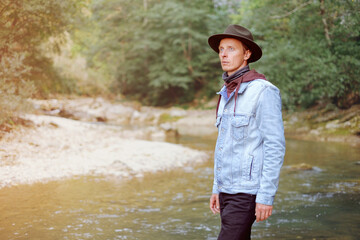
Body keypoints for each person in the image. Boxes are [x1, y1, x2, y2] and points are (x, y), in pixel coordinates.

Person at [208, 24, 286, 240]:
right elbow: (224, 146)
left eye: (231, 49)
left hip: (246, 192)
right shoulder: (225, 92)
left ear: (247, 54)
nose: (224, 54)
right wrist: (217, 187)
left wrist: (266, 195)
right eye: (222, 49)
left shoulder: (264, 91)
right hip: (227, 190)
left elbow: (274, 145)